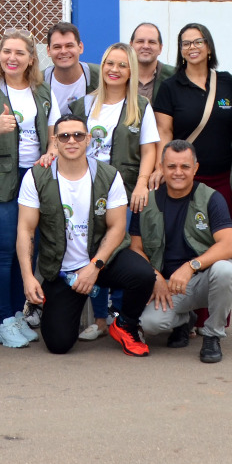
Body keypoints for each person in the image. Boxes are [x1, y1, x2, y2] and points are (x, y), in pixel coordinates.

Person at [16, 115, 156, 356]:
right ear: (55, 141)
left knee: (142, 274)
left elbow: (117, 228)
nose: (72, 141)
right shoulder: (36, 176)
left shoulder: (109, 175)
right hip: (63, 271)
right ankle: (56, 306)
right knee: (58, 344)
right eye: (64, 136)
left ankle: (126, 324)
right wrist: (28, 277)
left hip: (102, 261)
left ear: (88, 139)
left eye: (78, 135)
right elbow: (25, 230)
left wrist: (94, 266)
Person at [0, 29, 60, 348]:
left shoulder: (42, 91)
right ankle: (2, 320)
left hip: (33, 179)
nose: (12, 58)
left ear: (31, 58)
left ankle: (18, 316)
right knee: (3, 250)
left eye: (20, 53)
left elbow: (56, 136)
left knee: (27, 251)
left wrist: (51, 151)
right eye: (6, 51)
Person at [68, 42, 161, 339]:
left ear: (131, 70)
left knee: (123, 248)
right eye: (110, 63)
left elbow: (149, 150)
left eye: (122, 65)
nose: (115, 70)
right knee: (92, 247)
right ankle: (98, 318)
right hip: (89, 189)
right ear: (102, 66)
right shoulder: (83, 105)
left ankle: (121, 315)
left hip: (127, 189)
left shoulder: (141, 107)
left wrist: (143, 183)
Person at [130, 140, 232, 363]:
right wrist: (155, 276)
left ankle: (212, 335)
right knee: (151, 324)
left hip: (202, 279)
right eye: (171, 167)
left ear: (195, 168)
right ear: (161, 168)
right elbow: (135, 247)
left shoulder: (211, 198)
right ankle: (183, 321)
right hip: (168, 285)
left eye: (185, 167)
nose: (178, 172)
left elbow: (229, 245)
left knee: (225, 270)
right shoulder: (147, 201)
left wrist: (191, 267)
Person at [152, 23, 232, 224]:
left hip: (223, 178)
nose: (192, 47)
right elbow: (164, 131)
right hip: (186, 177)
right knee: (188, 230)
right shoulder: (170, 87)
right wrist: (160, 167)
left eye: (198, 41)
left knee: (223, 232)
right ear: (181, 50)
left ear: (209, 47)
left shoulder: (226, 82)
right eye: (186, 43)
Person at [41, 22, 97, 118]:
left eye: (69, 46)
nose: (63, 51)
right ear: (48, 51)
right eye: (57, 47)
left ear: (80, 47)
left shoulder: (99, 76)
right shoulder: (38, 81)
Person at [130, 22, 175, 102]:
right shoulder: (120, 75)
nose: (146, 46)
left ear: (160, 48)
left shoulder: (175, 77)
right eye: (140, 41)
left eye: (152, 42)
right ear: (131, 45)